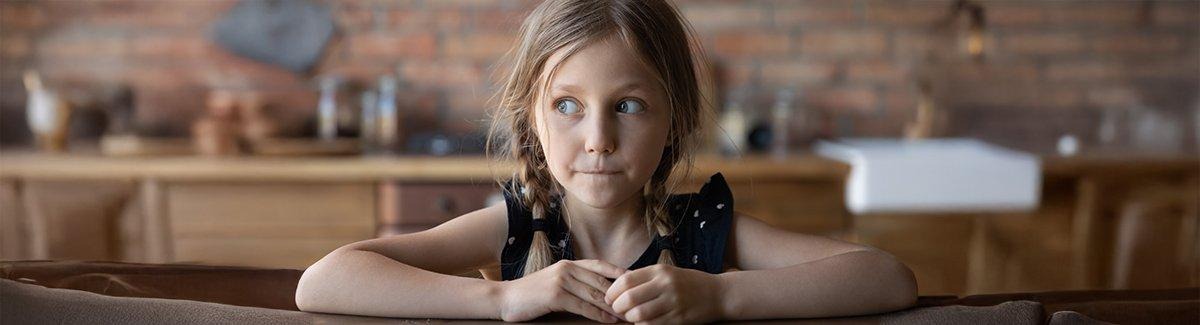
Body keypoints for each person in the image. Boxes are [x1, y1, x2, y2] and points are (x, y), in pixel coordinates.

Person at [295, 0, 917, 323]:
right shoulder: (515, 227)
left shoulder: (706, 232)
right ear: (531, 119)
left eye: (628, 105)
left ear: (673, 120)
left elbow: (886, 276)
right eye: (567, 105)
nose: (597, 138)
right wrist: (506, 301)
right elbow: (322, 281)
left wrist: (720, 299)